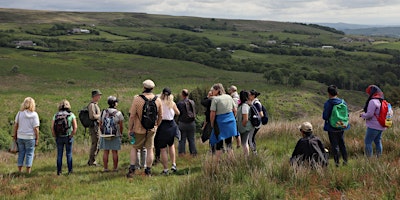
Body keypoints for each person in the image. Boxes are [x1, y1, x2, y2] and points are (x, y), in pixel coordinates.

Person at [127, 79, 162, 177]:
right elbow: (160, 116)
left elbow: (132, 115)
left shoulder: (137, 99)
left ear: (144, 87)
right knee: (150, 149)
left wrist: (130, 128)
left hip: (138, 128)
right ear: (153, 88)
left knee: (135, 148)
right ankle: (148, 170)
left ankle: (132, 169)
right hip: (151, 129)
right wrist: (156, 125)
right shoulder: (157, 100)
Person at [209, 83, 238, 161]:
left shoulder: (215, 99)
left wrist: (212, 123)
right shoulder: (229, 97)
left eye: (213, 90)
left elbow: (212, 113)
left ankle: (217, 163)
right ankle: (231, 161)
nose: (212, 91)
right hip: (231, 121)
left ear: (217, 90)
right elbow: (235, 109)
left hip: (220, 123)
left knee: (219, 143)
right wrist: (233, 118)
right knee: (229, 144)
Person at [155, 88, 180, 175]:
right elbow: (178, 113)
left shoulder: (159, 102)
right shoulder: (171, 103)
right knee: (171, 145)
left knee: (162, 148)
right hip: (172, 124)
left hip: (162, 125)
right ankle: (174, 164)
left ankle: (165, 169)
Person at [322, 85, 349, 167]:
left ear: (329, 93)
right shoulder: (343, 102)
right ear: (337, 92)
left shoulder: (328, 103)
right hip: (342, 126)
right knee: (342, 144)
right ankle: (345, 161)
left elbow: (325, 116)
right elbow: (347, 114)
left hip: (332, 127)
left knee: (334, 145)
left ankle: (337, 163)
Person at [13, 97, 40, 174]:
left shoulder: (19, 113)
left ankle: (19, 170)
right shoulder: (34, 115)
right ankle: (28, 171)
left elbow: (16, 125)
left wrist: (14, 135)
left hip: (20, 136)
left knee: (21, 153)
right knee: (29, 153)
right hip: (30, 137)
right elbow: (36, 128)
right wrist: (37, 138)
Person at [51, 100, 77, 175]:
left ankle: (59, 171)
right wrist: (71, 135)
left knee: (59, 154)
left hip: (59, 137)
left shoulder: (56, 115)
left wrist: (55, 136)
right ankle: (70, 171)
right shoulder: (71, 115)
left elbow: (52, 127)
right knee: (69, 154)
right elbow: (75, 127)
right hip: (68, 136)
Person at [360, 85, 387, 157]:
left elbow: (369, 114)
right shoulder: (383, 101)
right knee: (378, 141)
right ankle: (379, 158)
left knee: (368, 142)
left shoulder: (373, 101)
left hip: (373, 126)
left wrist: (362, 115)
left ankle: (369, 160)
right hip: (382, 125)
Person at [99, 96, 124, 172]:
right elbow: (121, 125)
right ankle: (115, 168)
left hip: (105, 134)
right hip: (115, 134)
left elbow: (100, 123)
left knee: (106, 151)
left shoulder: (103, 112)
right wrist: (120, 134)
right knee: (114, 152)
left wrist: (102, 131)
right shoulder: (118, 113)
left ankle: (105, 168)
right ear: (115, 103)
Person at [177, 89, 197, 156]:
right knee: (191, 139)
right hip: (191, 122)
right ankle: (193, 153)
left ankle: (181, 153)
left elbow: (178, 113)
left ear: (182, 95)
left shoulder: (180, 103)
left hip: (182, 123)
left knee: (182, 139)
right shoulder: (192, 102)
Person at [236, 90, 254, 156]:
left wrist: (243, 126)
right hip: (244, 127)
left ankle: (246, 157)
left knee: (244, 142)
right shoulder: (245, 105)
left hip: (245, 127)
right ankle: (246, 156)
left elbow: (245, 118)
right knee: (244, 142)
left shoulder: (244, 106)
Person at [87, 89, 102, 166]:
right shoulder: (92, 105)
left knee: (97, 143)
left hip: (96, 126)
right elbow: (92, 116)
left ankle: (92, 160)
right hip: (94, 127)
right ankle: (92, 161)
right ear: (95, 96)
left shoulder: (95, 104)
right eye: (98, 95)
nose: (100, 97)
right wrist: (100, 116)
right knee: (95, 143)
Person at [248, 89, 264, 154]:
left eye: (249, 95)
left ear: (253, 96)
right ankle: (254, 152)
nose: (248, 96)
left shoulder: (256, 103)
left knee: (250, 139)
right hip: (255, 123)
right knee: (251, 138)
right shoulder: (254, 102)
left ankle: (255, 153)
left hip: (256, 124)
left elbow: (261, 114)